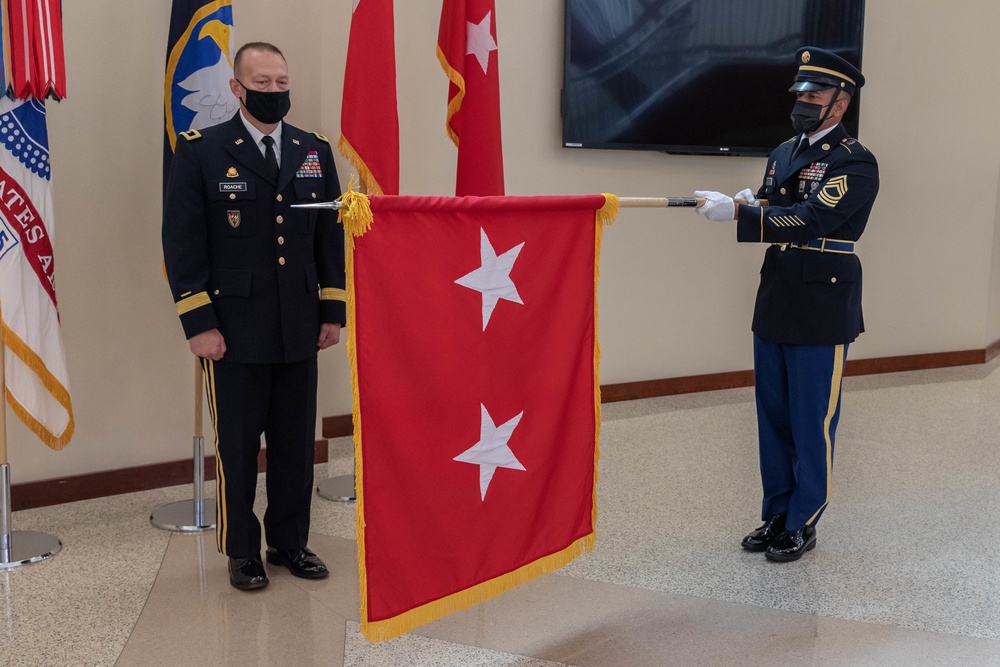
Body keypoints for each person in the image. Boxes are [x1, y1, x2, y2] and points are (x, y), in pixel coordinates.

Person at [162, 42, 346, 589]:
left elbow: (327, 238)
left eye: (281, 82)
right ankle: (241, 550)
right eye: (261, 83)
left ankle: (290, 543)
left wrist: (332, 308)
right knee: (239, 448)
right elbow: (182, 243)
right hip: (233, 329)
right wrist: (199, 323)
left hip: (299, 324)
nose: (274, 92)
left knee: (294, 444)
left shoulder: (314, 151)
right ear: (236, 88)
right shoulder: (201, 151)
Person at [693, 47, 879, 562]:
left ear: (839, 104)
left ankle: (804, 519)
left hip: (823, 297)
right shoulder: (783, 151)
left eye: (814, 95)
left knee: (811, 418)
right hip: (777, 293)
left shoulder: (854, 161)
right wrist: (750, 202)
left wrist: (740, 215)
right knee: (772, 414)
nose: (802, 103)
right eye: (799, 93)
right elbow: (780, 201)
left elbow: (814, 219)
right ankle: (776, 510)